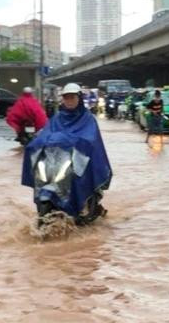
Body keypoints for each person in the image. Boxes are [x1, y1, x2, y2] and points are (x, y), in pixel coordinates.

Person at [22, 82, 112, 221]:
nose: (69, 101)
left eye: (72, 97)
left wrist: (75, 142)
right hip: (56, 160)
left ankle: (84, 207)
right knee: (41, 175)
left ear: (79, 98)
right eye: (66, 97)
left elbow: (90, 138)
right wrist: (35, 144)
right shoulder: (57, 118)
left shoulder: (87, 118)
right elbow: (47, 133)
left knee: (77, 179)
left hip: (79, 159)